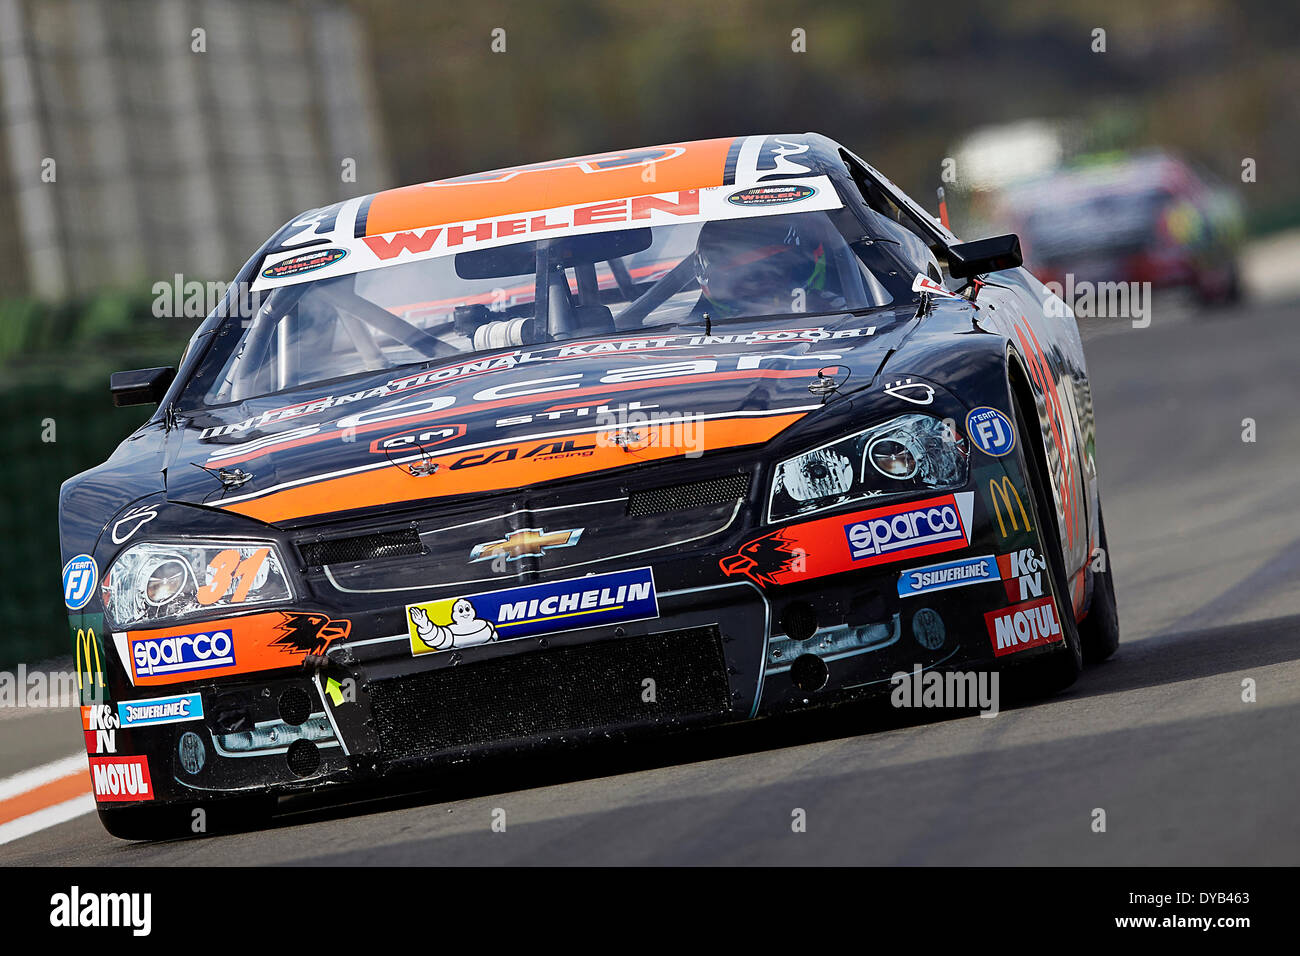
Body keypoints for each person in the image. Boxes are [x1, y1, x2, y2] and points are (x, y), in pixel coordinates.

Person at [693, 212, 848, 318]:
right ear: (714, 278)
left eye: (779, 267)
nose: (765, 279)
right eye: (747, 274)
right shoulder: (688, 322)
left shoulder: (837, 309)